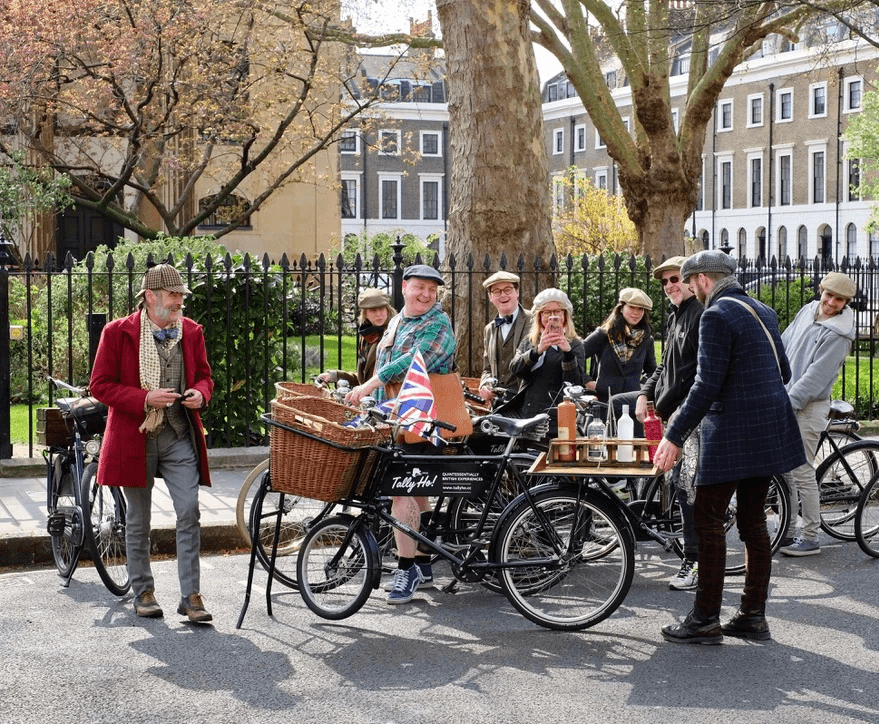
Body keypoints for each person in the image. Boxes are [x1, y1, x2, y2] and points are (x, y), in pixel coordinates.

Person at [653, 250, 806, 644]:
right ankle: (753, 616)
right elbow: (784, 372)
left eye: (689, 283)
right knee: (754, 524)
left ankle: (704, 619)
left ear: (702, 279)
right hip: (769, 429)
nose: (689, 290)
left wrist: (673, 436)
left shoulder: (716, 315)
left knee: (707, 523)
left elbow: (705, 385)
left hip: (732, 434)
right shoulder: (763, 310)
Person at [90, 264, 215, 622]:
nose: (179, 303)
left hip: (178, 433)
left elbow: (205, 377)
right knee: (139, 520)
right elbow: (100, 385)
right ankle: (143, 590)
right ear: (150, 297)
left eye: (180, 296)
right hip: (135, 436)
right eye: (173, 297)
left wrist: (199, 394)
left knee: (188, 510)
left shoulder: (190, 331)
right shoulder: (117, 333)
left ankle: (190, 596)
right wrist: (144, 398)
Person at [346, 264, 456, 604]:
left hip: (423, 421)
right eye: (420, 287)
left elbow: (414, 360)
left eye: (432, 289)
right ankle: (422, 563)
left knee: (400, 494)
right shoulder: (396, 322)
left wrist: (370, 385)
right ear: (405, 287)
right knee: (416, 497)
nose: (426, 294)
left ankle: (405, 568)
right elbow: (384, 366)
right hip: (394, 422)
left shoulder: (439, 323)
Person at [614, 257, 704, 590]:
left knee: (687, 489)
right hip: (672, 415)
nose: (670, 285)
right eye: (665, 281)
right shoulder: (674, 316)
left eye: (675, 279)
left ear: (692, 280)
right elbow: (664, 367)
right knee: (679, 488)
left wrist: (681, 417)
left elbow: (699, 376)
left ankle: (694, 562)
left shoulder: (700, 315)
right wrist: (644, 395)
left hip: (690, 418)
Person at [779, 272, 857, 557]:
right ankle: (786, 530)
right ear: (821, 290)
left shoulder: (840, 333)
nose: (831, 302)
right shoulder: (807, 311)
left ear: (845, 303)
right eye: (829, 295)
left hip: (809, 406)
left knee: (801, 471)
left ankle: (810, 536)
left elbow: (815, 378)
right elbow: (784, 344)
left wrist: (788, 402)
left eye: (839, 299)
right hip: (787, 397)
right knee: (783, 470)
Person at [508, 288, 586, 437]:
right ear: (539, 316)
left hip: (558, 416)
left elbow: (574, 383)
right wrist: (537, 350)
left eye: (557, 311)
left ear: (565, 315)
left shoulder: (575, 344)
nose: (552, 316)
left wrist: (567, 353)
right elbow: (516, 369)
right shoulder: (529, 341)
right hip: (528, 414)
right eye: (547, 312)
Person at [582, 287, 657, 434]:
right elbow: (576, 357)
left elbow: (653, 371)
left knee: (632, 453)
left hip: (632, 406)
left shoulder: (647, 340)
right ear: (621, 308)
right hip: (604, 405)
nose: (636, 313)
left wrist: (642, 387)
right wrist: (587, 381)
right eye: (632, 307)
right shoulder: (603, 335)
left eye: (640, 309)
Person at [318, 288, 396, 388]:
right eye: (373, 310)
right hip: (366, 398)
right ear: (365, 313)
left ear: (388, 310)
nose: (378, 314)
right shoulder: (367, 335)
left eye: (381, 309)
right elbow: (362, 380)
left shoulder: (393, 334)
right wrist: (333, 376)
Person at [478, 271, 532, 407]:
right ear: (490, 297)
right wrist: (485, 385)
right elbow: (487, 368)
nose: (503, 295)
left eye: (507, 290)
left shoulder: (534, 321)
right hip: (498, 405)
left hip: (526, 401)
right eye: (496, 291)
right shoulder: (489, 329)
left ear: (517, 292)